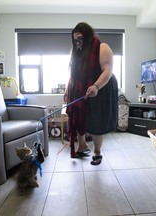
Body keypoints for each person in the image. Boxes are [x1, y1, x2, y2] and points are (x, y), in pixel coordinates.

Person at [63, 22, 118, 165]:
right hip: (81, 88)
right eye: (75, 40)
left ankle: (97, 152)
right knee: (76, 116)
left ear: (88, 36)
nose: (77, 43)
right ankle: (83, 146)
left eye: (80, 38)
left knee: (95, 121)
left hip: (101, 87)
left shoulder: (102, 47)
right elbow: (72, 75)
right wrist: (68, 89)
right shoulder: (76, 52)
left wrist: (96, 86)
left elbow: (107, 70)